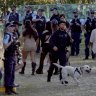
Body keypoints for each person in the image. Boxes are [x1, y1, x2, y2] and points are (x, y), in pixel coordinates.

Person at [3, 23, 18, 95]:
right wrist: (11, 42)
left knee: (12, 73)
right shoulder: (7, 35)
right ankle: (7, 89)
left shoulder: (12, 35)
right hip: (8, 56)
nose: (13, 27)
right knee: (8, 73)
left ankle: (11, 88)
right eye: (11, 26)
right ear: (7, 28)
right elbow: (5, 46)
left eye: (13, 26)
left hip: (13, 56)